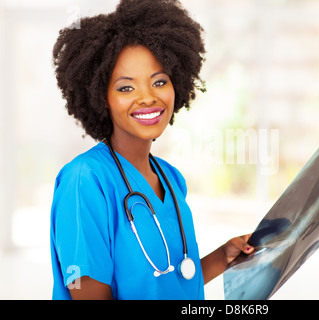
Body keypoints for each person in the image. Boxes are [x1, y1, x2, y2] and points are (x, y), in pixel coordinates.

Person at [50, 0, 253, 300]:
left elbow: (172, 277)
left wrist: (224, 256)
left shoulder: (171, 179)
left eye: (159, 81)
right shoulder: (84, 181)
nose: (147, 98)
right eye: (126, 88)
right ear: (100, 97)